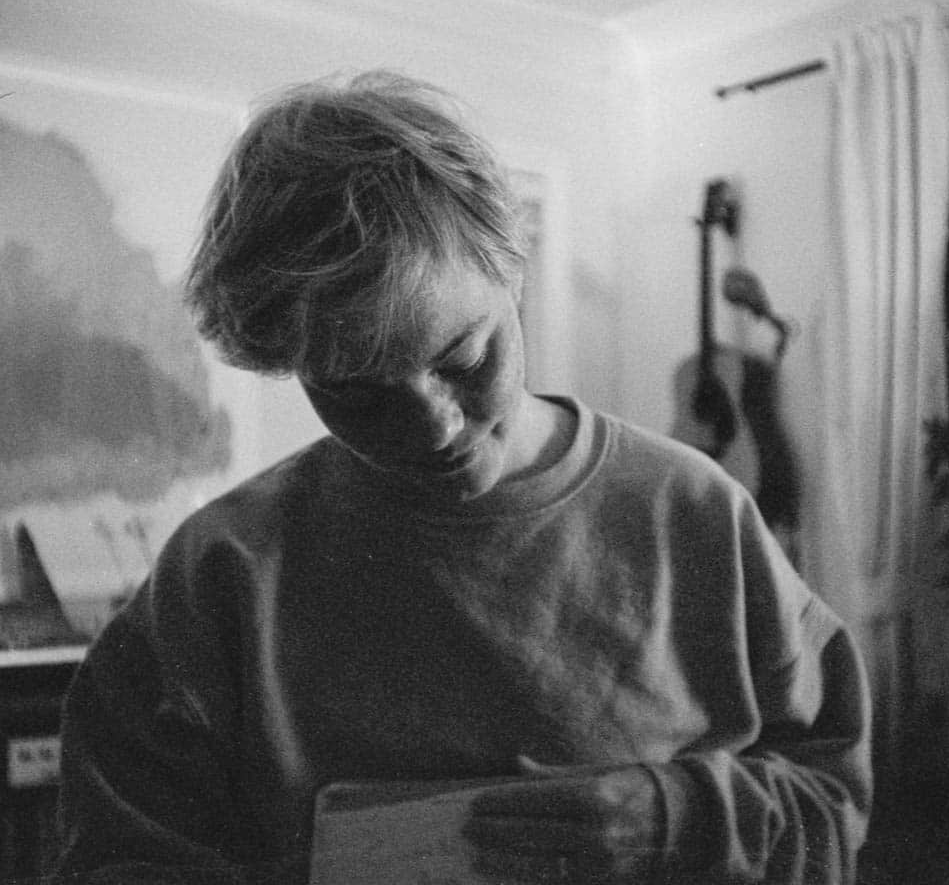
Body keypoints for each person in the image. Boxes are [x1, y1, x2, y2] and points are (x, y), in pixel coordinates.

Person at [50, 71, 872, 884]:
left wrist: (679, 819)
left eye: (464, 356)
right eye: (355, 390)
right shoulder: (219, 575)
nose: (435, 427)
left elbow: (833, 803)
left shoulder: (697, 514)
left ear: (510, 267)